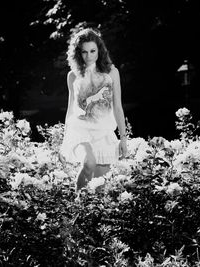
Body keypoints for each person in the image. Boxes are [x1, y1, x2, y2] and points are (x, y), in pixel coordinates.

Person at [59, 28, 128, 193]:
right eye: (84, 52)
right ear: (78, 53)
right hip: (80, 131)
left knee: (99, 189)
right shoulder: (73, 76)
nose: (88, 56)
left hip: (103, 132)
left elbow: (117, 106)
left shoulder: (112, 73)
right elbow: (71, 109)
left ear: (99, 50)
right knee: (89, 162)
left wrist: (123, 138)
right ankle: (77, 204)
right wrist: (64, 141)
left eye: (92, 51)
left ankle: (85, 214)